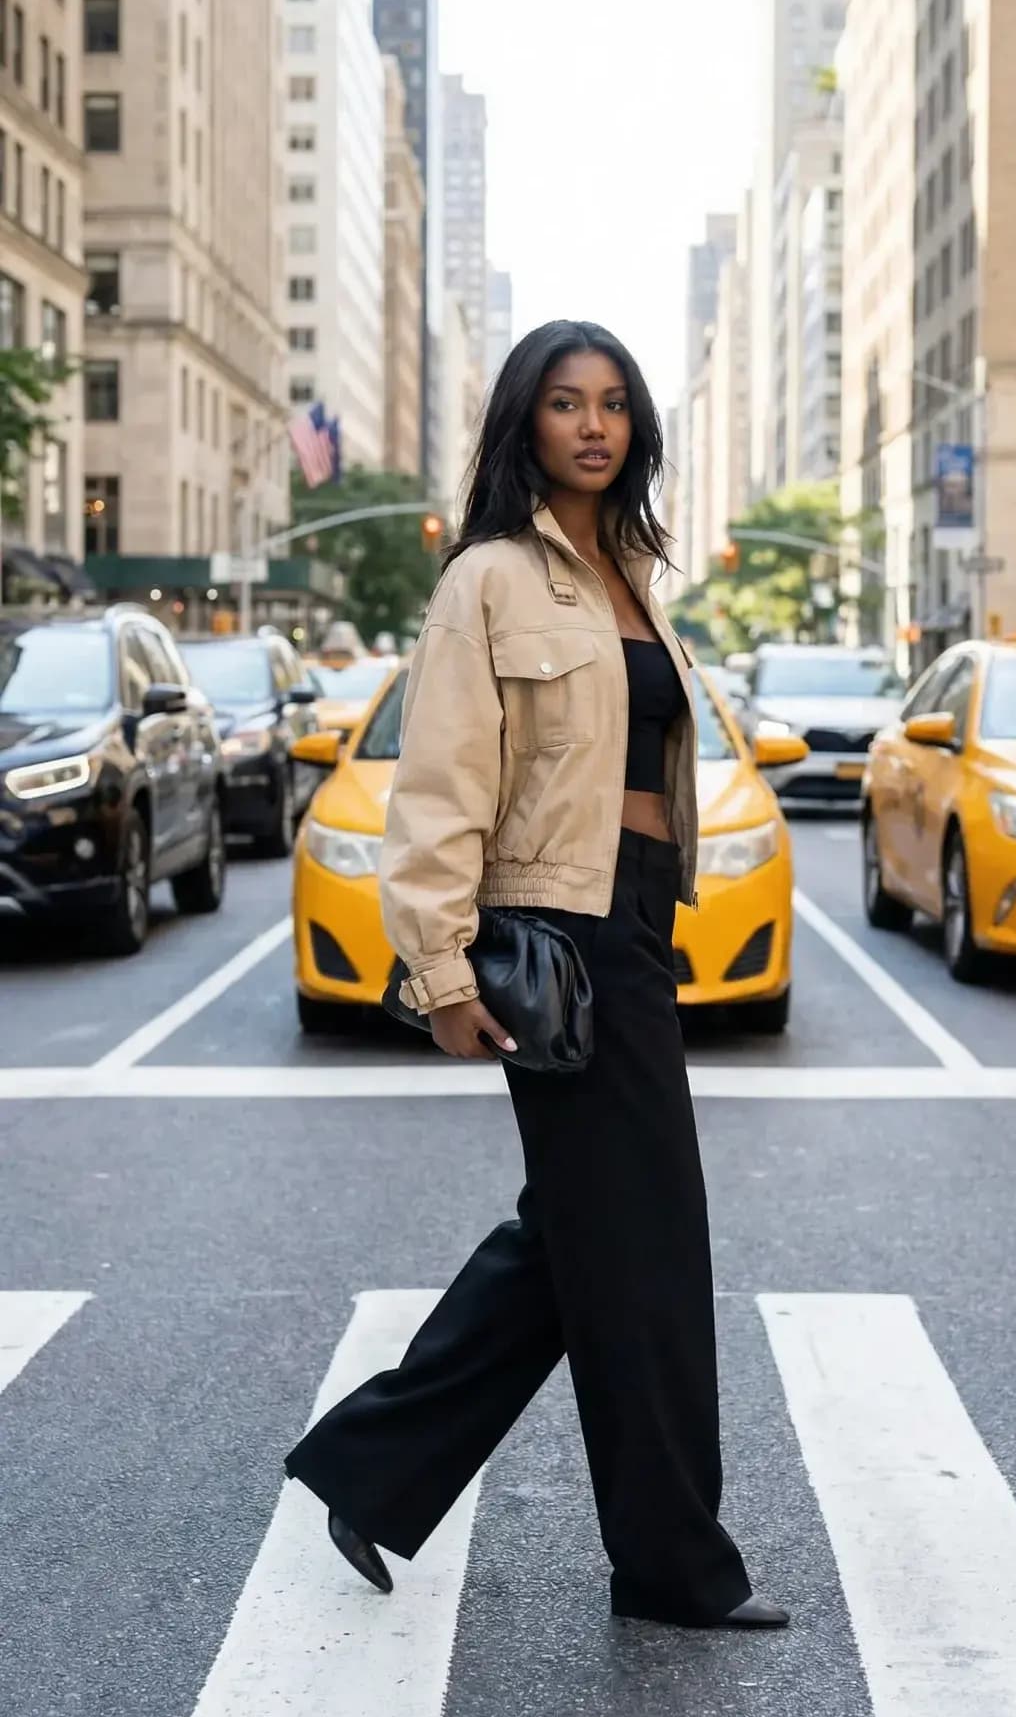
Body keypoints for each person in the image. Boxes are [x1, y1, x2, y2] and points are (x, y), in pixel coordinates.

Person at [284, 320, 788, 1632]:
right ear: (526, 424)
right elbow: (440, 785)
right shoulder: (490, 582)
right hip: (555, 934)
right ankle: (670, 1568)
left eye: (615, 404)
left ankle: (367, 1466)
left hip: (633, 926)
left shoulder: (629, 571)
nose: (594, 425)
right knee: (646, 1251)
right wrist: (442, 969)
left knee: (579, 1239)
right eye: (565, 404)